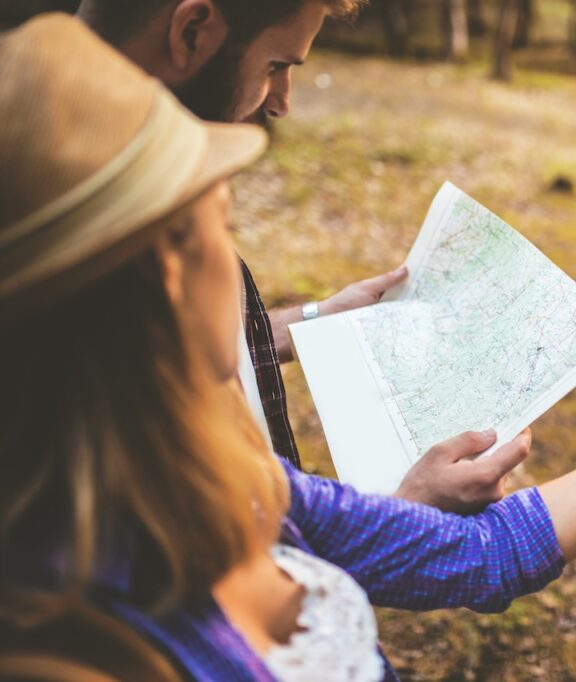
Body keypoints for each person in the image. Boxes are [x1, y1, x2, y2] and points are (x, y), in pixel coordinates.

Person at [0, 14, 576, 682]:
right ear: (167, 288)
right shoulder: (77, 639)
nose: (244, 269)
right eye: (224, 226)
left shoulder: (219, 478)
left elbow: (488, 554)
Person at [75, 0, 527, 514]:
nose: (282, 102)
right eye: (276, 66)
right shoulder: (95, 230)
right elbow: (203, 537)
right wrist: (403, 512)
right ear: (193, 30)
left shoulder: (98, 176)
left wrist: (312, 320)